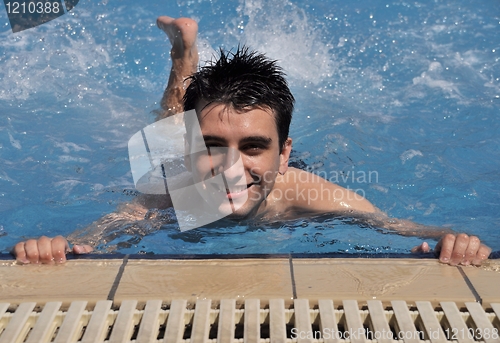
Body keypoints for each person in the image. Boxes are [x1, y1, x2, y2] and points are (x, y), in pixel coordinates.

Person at [12, 16, 491, 266]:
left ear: (284, 154)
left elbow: (398, 227)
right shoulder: (170, 194)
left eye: (255, 147)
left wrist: (454, 241)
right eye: (214, 146)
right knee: (171, 123)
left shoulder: (309, 194)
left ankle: (186, 54)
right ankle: (184, 54)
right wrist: (53, 247)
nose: (232, 168)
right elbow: (88, 237)